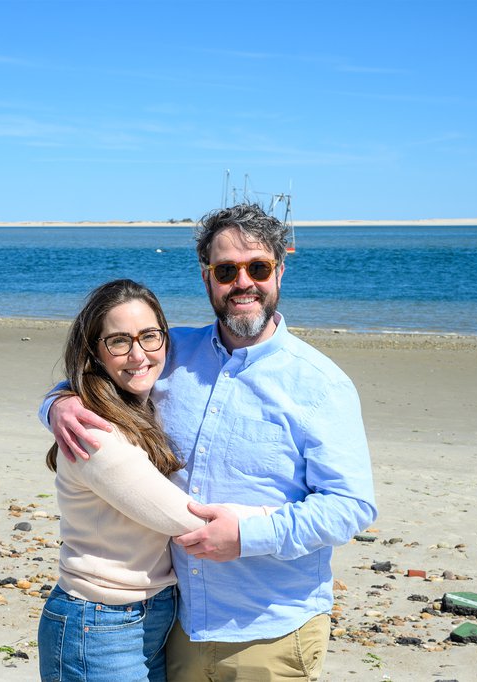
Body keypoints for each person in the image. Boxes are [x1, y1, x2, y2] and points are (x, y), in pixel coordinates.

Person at [43, 205, 378, 681]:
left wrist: (247, 535)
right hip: (179, 625)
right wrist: (58, 403)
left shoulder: (322, 385)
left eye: (257, 267)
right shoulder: (170, 351)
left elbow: (351, 507)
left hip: (270, 628)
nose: (243, 283)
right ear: (207, 278)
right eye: (226, 271)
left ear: (279, 271)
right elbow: (104, 370)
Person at [37, 278, 272, 682]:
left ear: (165, 337)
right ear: (94, 351)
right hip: (99, 623)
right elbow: (187, 519)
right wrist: (284, 516)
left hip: (147, 616)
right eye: (118, 341)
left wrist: (55, 400)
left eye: (149, 336)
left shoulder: (139, 404)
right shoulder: (95, 432)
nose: (138, 354)